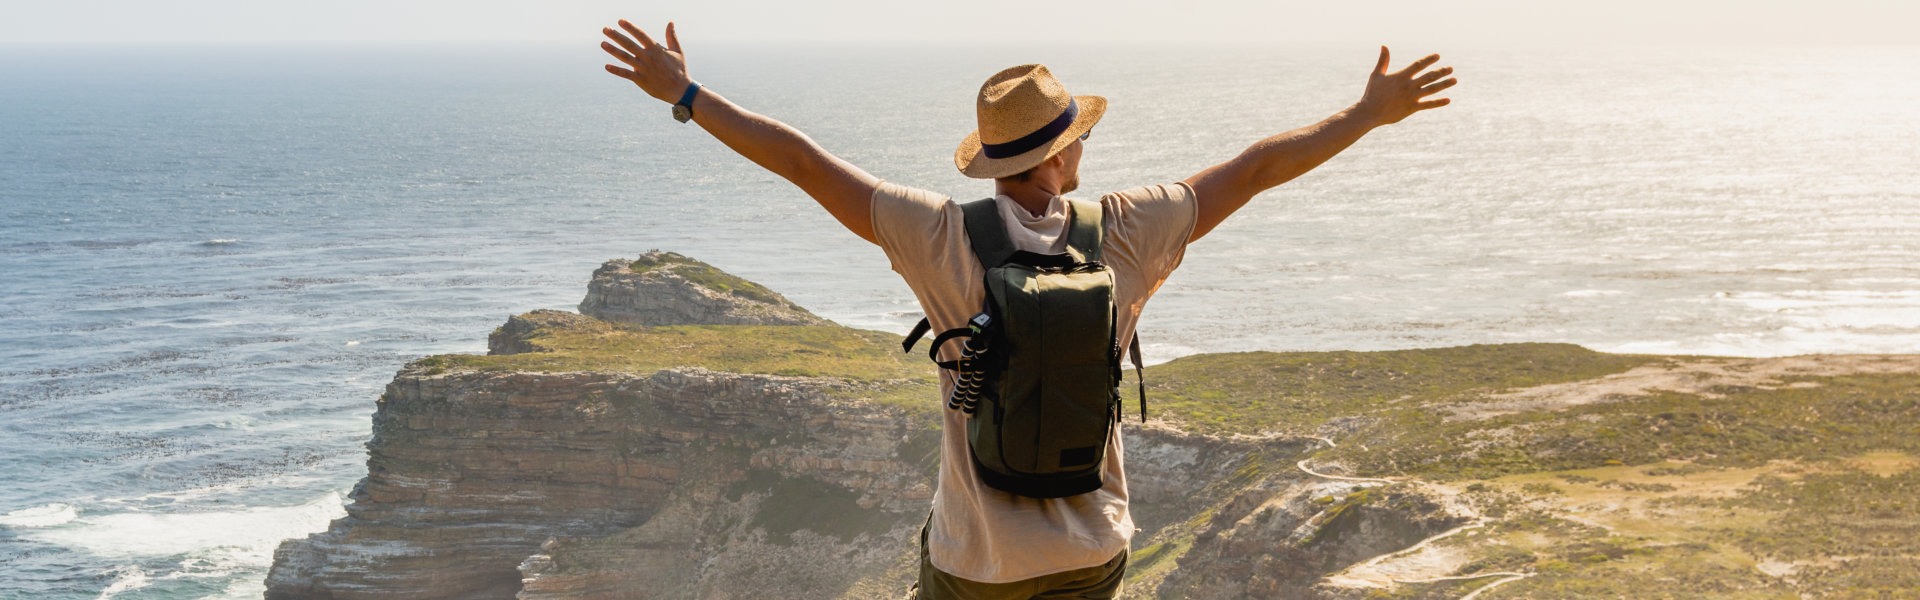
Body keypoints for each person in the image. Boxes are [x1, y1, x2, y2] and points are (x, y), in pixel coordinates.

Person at [600, 19, 1455, 600]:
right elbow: (1255, 167)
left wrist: (689, 94)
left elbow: (802, 162)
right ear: (1064, 151)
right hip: (1094, 549)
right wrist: (1367, 114)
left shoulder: (935, 233)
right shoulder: (1130, 228)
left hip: (980, 560)